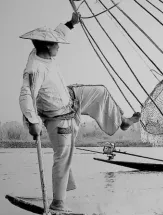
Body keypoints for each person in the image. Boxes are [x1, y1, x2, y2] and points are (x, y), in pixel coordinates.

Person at [19, 12, 141, 212]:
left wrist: (71, 23)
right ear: (47, 45)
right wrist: (33, 122)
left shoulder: (41, 52)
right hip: (58, 117)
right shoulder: (34, 68)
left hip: (72, 97)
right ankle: (58, 202)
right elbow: (25, 96)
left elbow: (58, 32)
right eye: (56, 44)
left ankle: (122, 121)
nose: (59, 45)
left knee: (100, 92)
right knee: (63, 155)